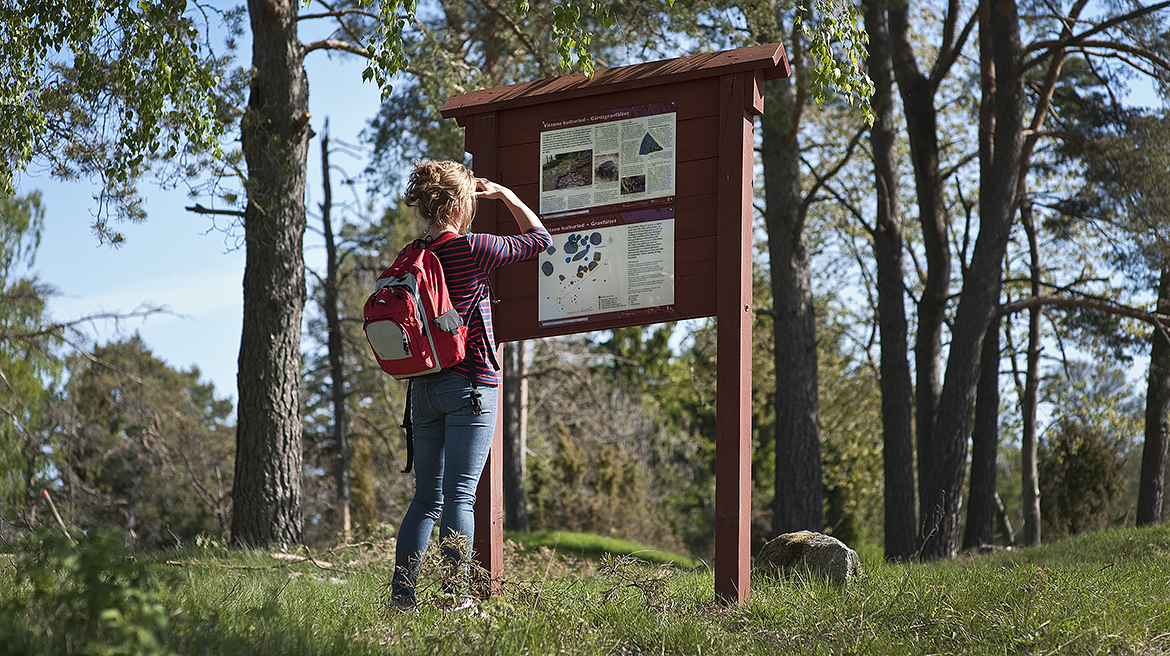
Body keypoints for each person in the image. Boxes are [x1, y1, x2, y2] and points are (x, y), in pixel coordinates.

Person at [390, 160, 550, 610]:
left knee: (426, 499)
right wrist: (506, 195)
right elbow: (540, 239)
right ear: (461, 203)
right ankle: (454, 597)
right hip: (472, 383)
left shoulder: (412, 255)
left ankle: (402, 598)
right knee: (460, 496)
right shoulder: (472, 247)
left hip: (424, 388)